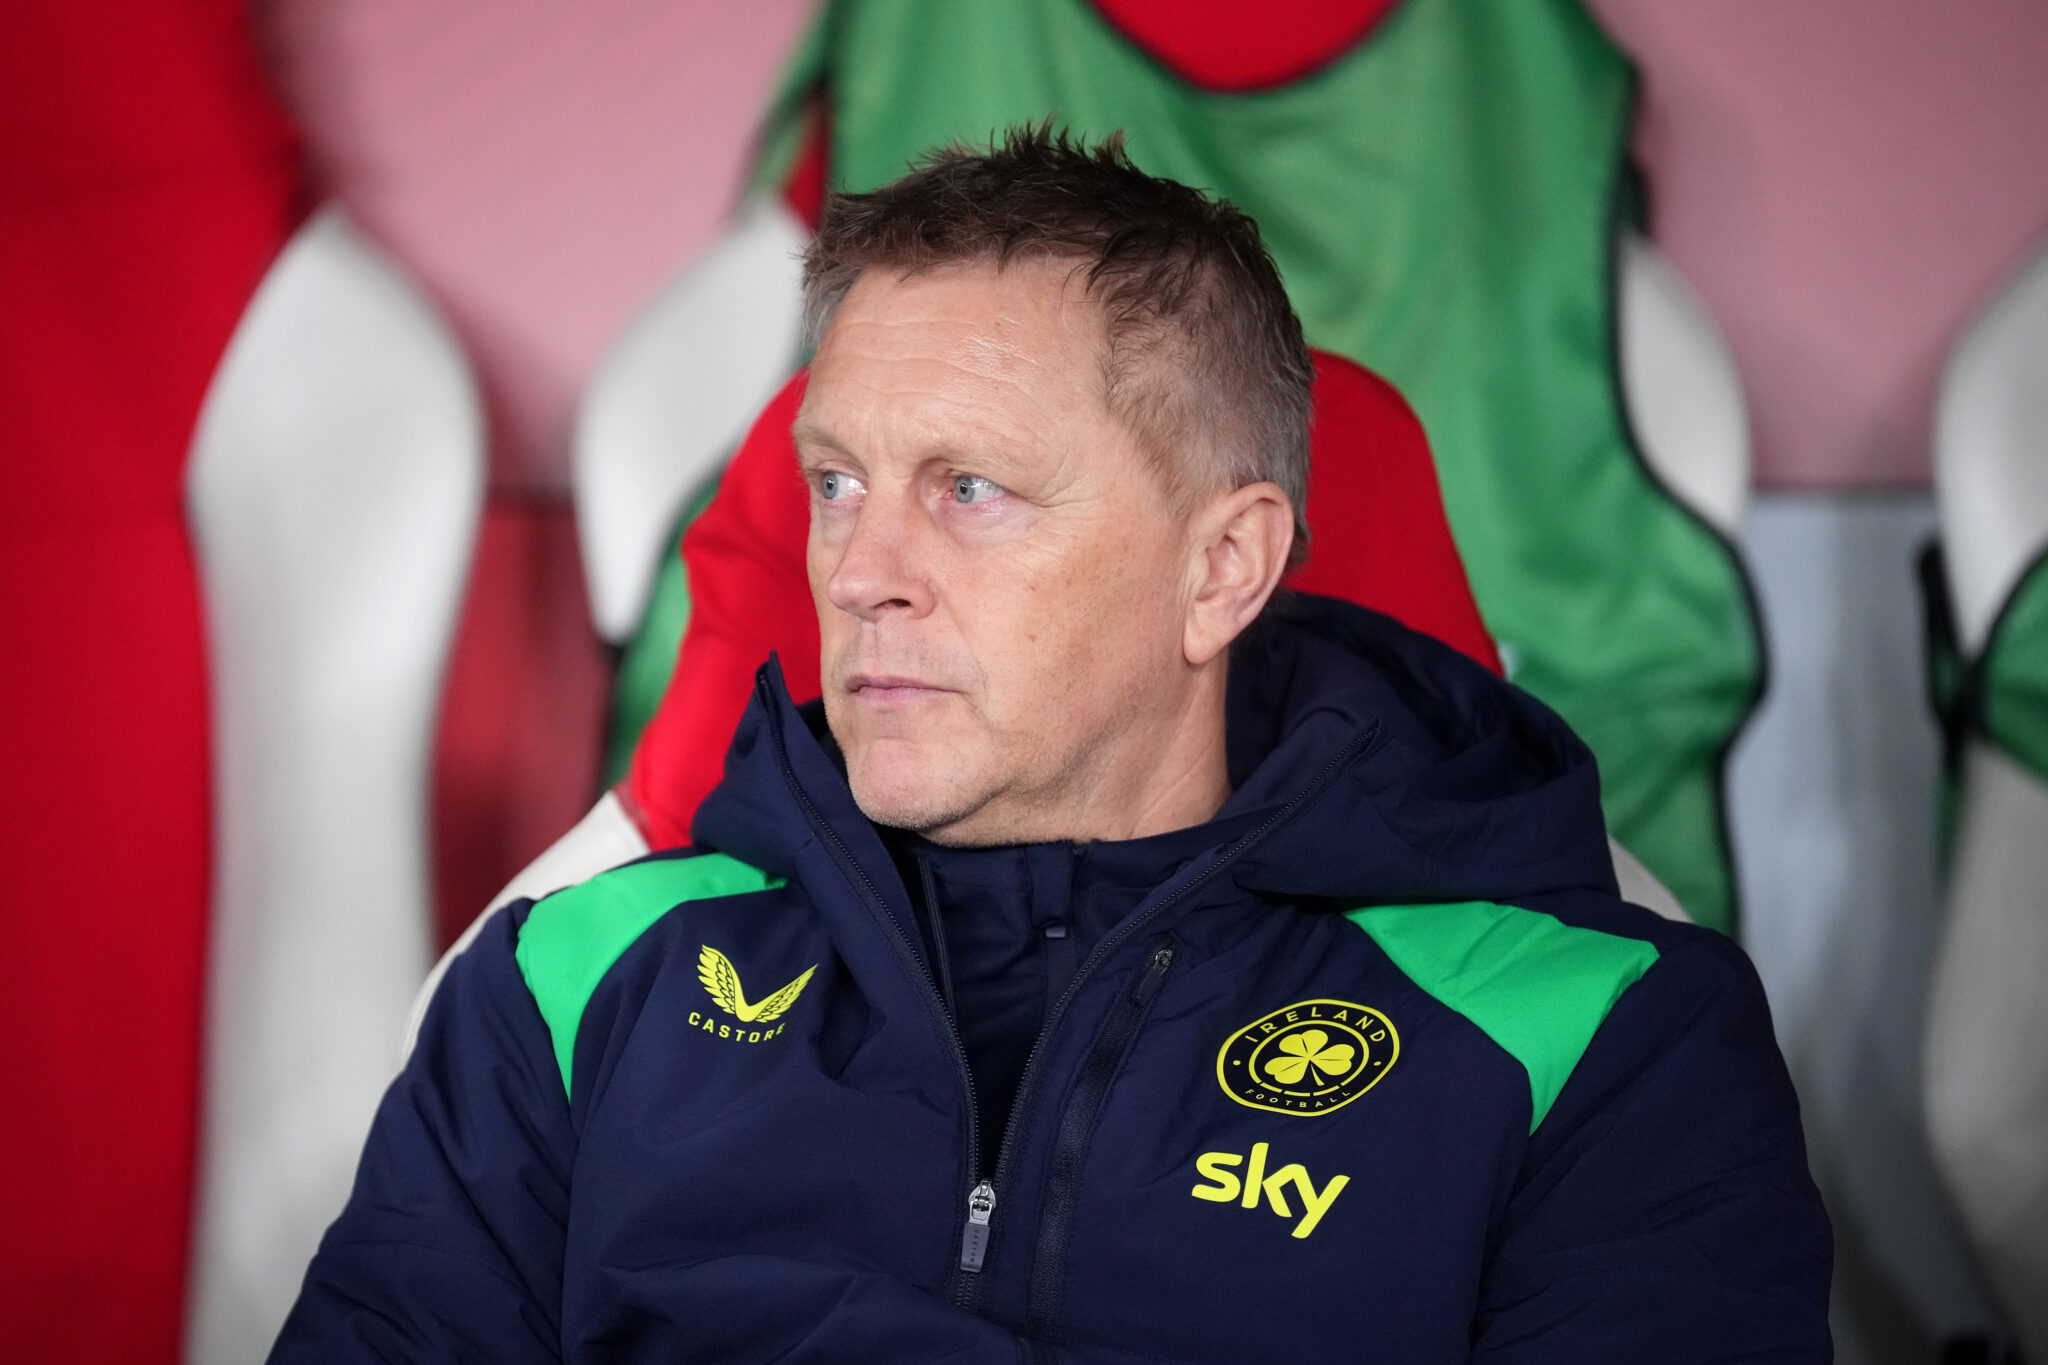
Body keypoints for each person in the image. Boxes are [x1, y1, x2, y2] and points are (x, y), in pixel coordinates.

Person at [274, 128, 1831, 1362]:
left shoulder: (1602, 1043)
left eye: (969, 489)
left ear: (1222, 570)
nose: (860, 568)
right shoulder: (568, 987)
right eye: (835, 482)